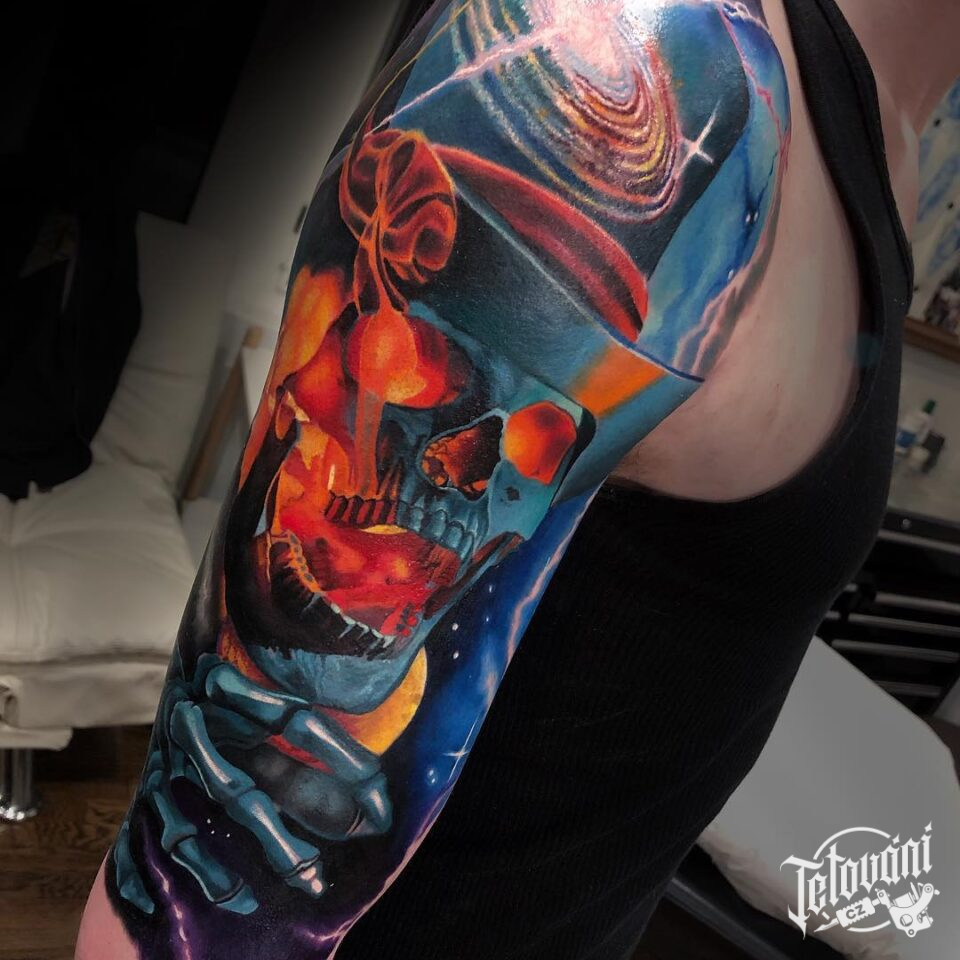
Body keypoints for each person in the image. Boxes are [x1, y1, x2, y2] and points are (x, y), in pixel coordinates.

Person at [76, 1, 959, 958]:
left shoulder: (880, 144)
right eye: (431, 371)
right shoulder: (639, 38)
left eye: (537, 433)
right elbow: (174, 930)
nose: (463, 465)